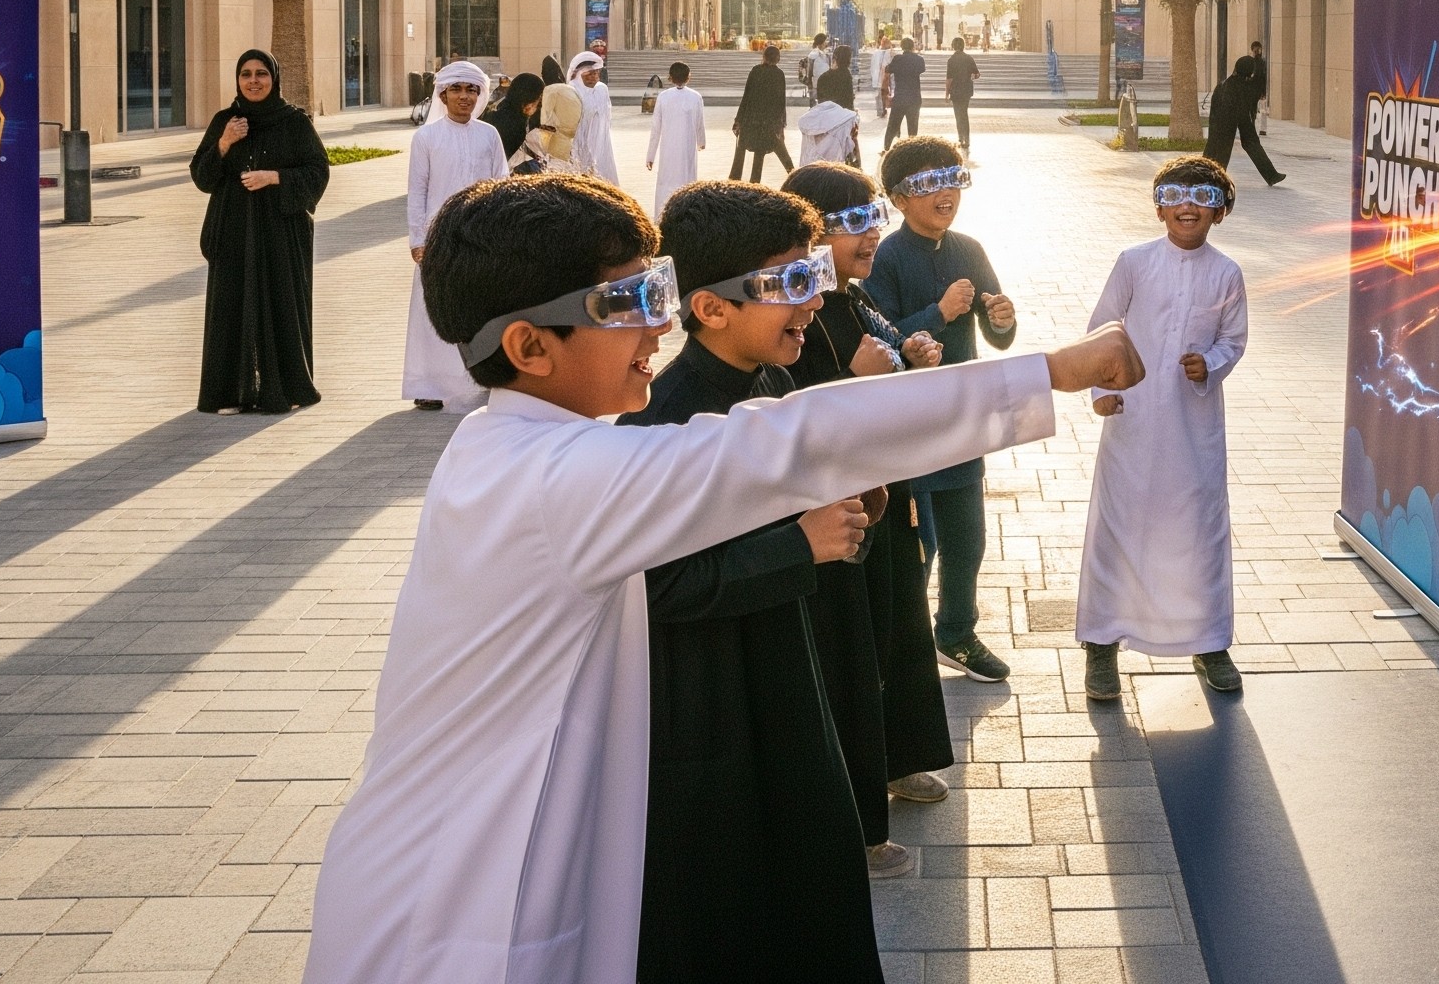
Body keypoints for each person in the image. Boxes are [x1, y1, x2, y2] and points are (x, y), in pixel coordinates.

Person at [301, 175, 1145, 984]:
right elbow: (792, 439)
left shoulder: (504, 450)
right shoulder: (560, 476)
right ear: (528, 345)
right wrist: (1057, 371)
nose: (658, 330)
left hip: (479, 868)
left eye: (657, 292)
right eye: (625, 305)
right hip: (466, 906)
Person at [614, 181, 885, 975]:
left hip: (789, 688)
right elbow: (651, 586)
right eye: (788, 286)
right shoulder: (663, 422)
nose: (810, 303)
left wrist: (848, 516)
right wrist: (797, 548)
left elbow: (814, 534)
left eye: (815, 280)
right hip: (714, 721)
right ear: (709, 307)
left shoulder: (771, 384)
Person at [785, 163, 955, 873]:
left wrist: (911, 353)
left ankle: (900, 757)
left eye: (870, 217)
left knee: (899, 629)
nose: (869, 232)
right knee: (851, 660)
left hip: (883, 493)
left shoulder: (852, 300)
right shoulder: (797, 312)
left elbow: (889, 359)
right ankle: (855, 819)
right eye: (850, 221)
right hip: (831, 518)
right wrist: (855, 381)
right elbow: (785, 418)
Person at [1077, 157, 1251, 699]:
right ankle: (1102, 646)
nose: (1188, 206)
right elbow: (1102, 327)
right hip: (1132, 419)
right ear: (1158, 206)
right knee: (1119, 523)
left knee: (1198, 528)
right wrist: (1103, 390)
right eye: (1176, 196)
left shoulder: (1227, 273)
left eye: (1203, 197)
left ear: (1219, 211)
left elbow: (1234, 338)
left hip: (1193, 424)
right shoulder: (1133, 262)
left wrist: (1211, 363)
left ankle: (1209, 641)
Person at [865, 136, 1019, 681]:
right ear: (900, 199)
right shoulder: (886, 256)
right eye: (928, 184)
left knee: (967, 537)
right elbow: (877, 341)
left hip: (964, 418)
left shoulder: (970, 249)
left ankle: (956, 632)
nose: (945, 192)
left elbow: (999, 336)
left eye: (952, 179)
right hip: (912, 427)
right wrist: (940, 311)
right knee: (919, 544)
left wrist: (999, 318)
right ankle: (901, 648)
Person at [190, 50, 332, 415]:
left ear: (274, 78)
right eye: (246, 74)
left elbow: (318, 171)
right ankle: (230, 394)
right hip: (233, 231)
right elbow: (202, 178)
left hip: (281, 232)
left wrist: (275, 177)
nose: (254, 81)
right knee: (231, 307)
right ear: (237, 80)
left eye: (261, 74)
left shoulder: (294, 122)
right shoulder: (225, 121)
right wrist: (223, 143)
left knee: (281, 303)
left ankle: (286, 388)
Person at [402, 62, 510, 412]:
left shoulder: (488, 135)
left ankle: (479, 377)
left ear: (479, 95)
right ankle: (430, 384)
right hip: (438, 237)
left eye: (472, 90)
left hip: (480, 235)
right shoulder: (426, 137)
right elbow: (417, 191)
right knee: (432, 309)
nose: (464, 97)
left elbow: (501, 184)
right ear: (443, 94)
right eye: (457, 90)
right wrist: (418, 239)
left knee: (478, 306)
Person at [1203, 51, 1286, 186]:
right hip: (1230, 121)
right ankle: (1211, 177)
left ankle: (1271, 175)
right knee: (1224, 149)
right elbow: (1236, 106)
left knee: (1227, 146)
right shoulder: (1234, 86)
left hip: (1234, 120)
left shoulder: (1229, 84)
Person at [646, 60, 706, 210]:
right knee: (687, 181)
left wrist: (650, 156)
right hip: (687, 148)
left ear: (670, 77)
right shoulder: (696, 96)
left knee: (666, 182)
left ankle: (662, 212)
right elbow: (700, 122)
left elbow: (656, 128)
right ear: (688, 77)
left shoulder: (663, 97)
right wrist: (701, 142)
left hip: (668, 149)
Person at [733, 43, 794, 182]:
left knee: (748, 149)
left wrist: (738, 119)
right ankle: (792, 174)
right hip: (769, 121)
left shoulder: (755, 71)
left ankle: (741, 179)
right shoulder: (778, 74)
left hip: (751, 119)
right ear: (777, 58)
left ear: (764, 57)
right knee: (773, 150)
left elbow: (746, 96)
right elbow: (780, 101)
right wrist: (781, 123)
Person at [567, 50, 620, 182]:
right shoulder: (572, 91)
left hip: (601, 146)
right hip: (578, 147)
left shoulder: (602, 89)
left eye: (596, 73)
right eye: (589, 74)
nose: (594, 77)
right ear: (579, 74)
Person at [798, 65, 861, 166]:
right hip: (836, 172)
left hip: (810, 171)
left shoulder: (808, 119)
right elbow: (854, 154)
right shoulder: (849, 119)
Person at [487, 72, 546, 174]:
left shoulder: (500, 111)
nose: (538, 106)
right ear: (529, 101)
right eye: (538, 100)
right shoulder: (515, 125)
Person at [530, 82, 588, 173]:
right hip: (569, 138)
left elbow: (545, 122)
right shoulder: (570, 89)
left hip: (555, 141)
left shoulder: (549, 91)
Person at [882, 37, 926, 149]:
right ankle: (913, 148)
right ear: (913, 47)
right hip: (914, 97)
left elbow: (887, 69)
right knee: (913, 126)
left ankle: (886, 146)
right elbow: (921, 69)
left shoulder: (897, 59)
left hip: (900, 97)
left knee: (893, 124)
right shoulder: (919, 60)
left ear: (901, 47)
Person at [944, 40, 979, 153]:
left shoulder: (951, 60)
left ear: (953, 46)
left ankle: (960, 137)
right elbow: (977, 74)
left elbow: (949, 79)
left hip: (956, 90)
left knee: (958, 114)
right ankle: (966, 138)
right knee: (964, 113)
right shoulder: (969, 58)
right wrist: (972, 77)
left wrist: (947, 93)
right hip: (966, 90)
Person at [869, 33, 896, 117]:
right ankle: (882, 109)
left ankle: (881, 110)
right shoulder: (888, 53)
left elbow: (872, 65)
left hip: (881, 76)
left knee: (880, 94)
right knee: (883, 94)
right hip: (883, 75)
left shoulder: (876, 53)